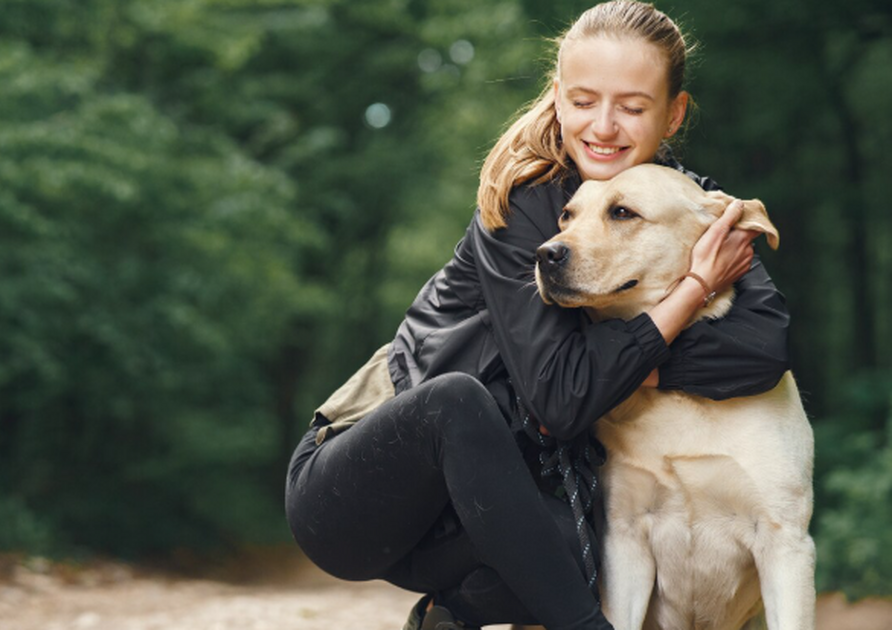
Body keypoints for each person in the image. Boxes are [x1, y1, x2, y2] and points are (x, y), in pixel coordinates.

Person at [284, 1, 791, 629]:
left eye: (632, 107)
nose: (604, 126)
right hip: (361, 489)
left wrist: (640, 367)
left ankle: (452, 616)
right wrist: (690, 291)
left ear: (673, 113)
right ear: (557, 97)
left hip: (476, 508)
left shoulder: (683, 206)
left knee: (598, 541)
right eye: (583, 101)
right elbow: (560, 396)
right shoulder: (526, 204)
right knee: (456, 403)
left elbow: (764, 347)